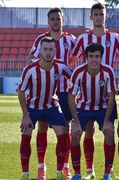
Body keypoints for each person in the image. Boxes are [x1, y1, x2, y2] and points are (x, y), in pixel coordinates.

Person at [71, 3, 119, 179]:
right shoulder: (83, 39)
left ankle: (107, 171)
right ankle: (89, 169)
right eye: (96, 14)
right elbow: (72, 59)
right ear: (91, 17)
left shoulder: (115, 38)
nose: (99, 17)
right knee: (87, 130)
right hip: (86, 95)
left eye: (102, 14)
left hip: (106, 93)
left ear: (106, 16)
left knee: (110, 132)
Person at [28, 7, 76, 179]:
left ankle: (64, 166)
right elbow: (31, 59)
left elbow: (76, 57)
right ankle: (41, 167)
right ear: (48, 21)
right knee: (42, 126)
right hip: (46, 91)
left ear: (63, 20)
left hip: (65, 91)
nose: (56, 21)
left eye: (58, 18)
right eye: (53, 19)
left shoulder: (70, 40)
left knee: (66, 129)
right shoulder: (41, 40)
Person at [18, 37, 71, 180]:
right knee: (26, 134)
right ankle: (25, 174)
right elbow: (21, 91)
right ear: (40, 50)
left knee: (64, 135)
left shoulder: (61, 66)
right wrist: (26, 115)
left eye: (51, 49)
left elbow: (74, 80)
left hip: (52, 107)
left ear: (55, 51)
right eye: (45, 49)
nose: (48, 52)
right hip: (33, 108)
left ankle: (60, 172)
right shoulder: (30, 70)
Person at [68, 43, 116, 180]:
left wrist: (107, 121)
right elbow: (71, 97)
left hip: (103, 108)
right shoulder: (78, 72)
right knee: (76, 134)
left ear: (101, 58)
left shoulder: (108, 71)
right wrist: (76, 122)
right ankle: (77, 173)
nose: (94, 60)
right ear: (86, 58)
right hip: (83, 108)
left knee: (109, 133)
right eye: (91, 56)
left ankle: (107, 173)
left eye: (97, 56)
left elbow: (112, 96)